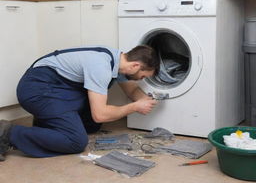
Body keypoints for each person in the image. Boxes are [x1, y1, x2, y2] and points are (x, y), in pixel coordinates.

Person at [0, 45, 159, 160]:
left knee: (91, 124)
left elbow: (132, 90)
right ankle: (7, 132)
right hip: (38, 89)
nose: (142, 80)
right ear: (135, 66)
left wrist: (144, 99)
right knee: (76, 141)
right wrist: (135, 107)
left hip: (58, 89)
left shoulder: (119, 61)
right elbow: (100, 114)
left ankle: (45, 123)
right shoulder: (101, 66)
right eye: (143, 76)